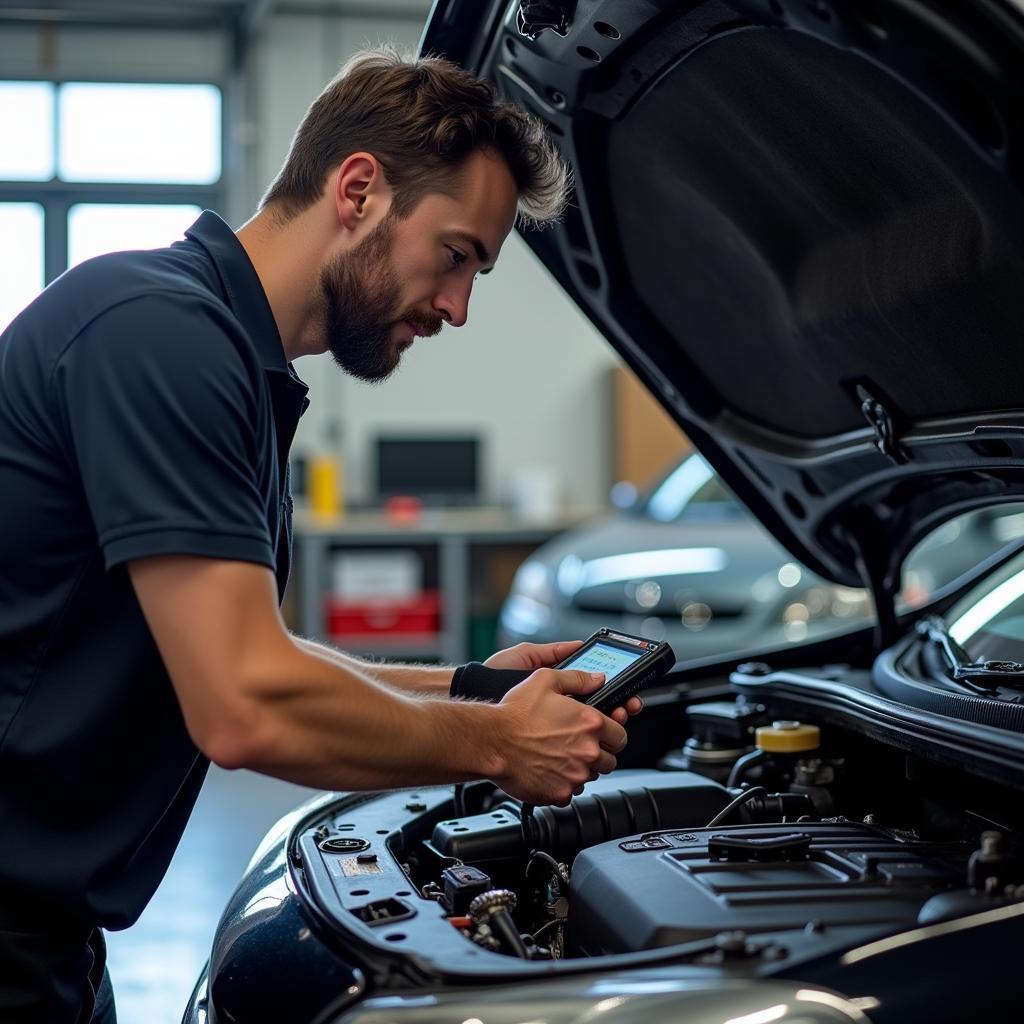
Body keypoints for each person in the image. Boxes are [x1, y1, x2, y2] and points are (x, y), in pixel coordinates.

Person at [0, 47, 641, 1022]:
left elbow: (256, 655)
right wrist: (497, 742)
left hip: (45, 933)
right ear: (357, 191)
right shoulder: (161, 334)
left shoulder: (222, 360)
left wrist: (477, 687)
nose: (459, 308)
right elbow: (244, 705)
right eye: (458, 255)